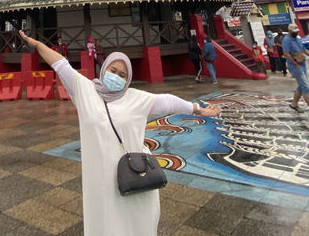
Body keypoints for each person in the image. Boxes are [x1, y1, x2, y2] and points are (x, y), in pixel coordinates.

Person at [18, 30, 221, 236]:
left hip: (135, 173)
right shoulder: (85, 90)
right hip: (101, 178)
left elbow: (168, 101)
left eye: (122, 75)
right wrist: (36, 44)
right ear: (104, 68)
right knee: (105, 224)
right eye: (112, 70)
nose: (116, 76)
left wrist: (197, 109)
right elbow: (60, 64)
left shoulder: (136, 98)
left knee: (137, 224)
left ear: (128, 79)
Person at [282, 23, 309, 118]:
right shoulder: (286, 40)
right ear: (289, 31)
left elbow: (304, 50)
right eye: (294, 32)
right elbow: (286, 54)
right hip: (295, 66)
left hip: (302, 63)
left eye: (296, 32)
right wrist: (294, 63)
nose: (295, 33)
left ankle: (294, 104)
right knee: (305, 87)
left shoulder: (298, 38)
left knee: (302, 86)